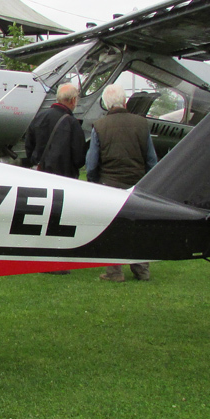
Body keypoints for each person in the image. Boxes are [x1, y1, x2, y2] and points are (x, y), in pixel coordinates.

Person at [86, 84, 158, 281]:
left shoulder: (99, 126)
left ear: (106, 104)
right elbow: (152, 160)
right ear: (125, 101)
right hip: (137, 183)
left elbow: (92, 162)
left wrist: (94, 181)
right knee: (138, 228)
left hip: (109, 183)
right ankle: (142, 269)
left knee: (112, 228)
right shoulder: (142, 124)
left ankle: (114, 271)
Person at [24, 83, 86, 177]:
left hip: (39, 173)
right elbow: (79, 159)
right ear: (73, 100)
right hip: (64, 176)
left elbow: (28, 146)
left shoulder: (39, 117)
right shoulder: (72, 123)